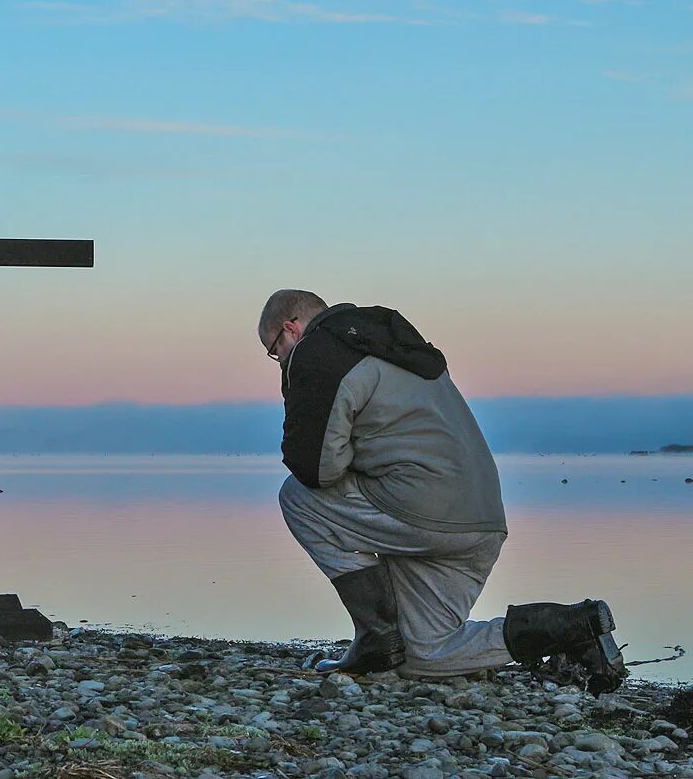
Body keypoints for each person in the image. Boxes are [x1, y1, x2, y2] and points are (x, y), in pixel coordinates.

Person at [259, 290, 627, 694]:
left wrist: (294, 381)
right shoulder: (397, 346)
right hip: (481, 520)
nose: (279, 361)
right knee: (426, 655)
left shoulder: (318, 350)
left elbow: (317, 470)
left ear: (290, 328)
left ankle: (376, 635)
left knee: (297, 499)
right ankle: (574, 628)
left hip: (422, 510)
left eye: (275, 351)